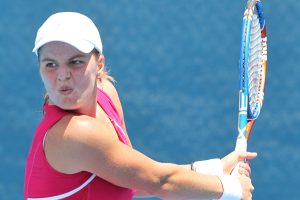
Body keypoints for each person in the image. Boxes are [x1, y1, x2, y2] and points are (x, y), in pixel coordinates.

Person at [24, 12, 257, 200]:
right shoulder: (75, 133)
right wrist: (233, 190)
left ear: (99, 65)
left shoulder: (107, 95)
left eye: (75, 62)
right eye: (51, 64)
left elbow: (135, 179)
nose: (62, 75)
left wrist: (215, 169)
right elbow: (159, 182)